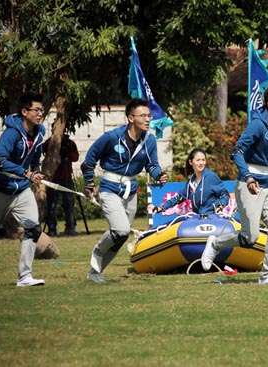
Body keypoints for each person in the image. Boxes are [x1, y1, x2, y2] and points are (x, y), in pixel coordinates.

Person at [200, 82, 268, 285]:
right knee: (249, 238)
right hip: (248, 183)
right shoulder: (258, 124)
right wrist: (248, 177)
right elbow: (237, 152)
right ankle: (216, 242)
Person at [82, 98, 167, 284]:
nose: (147, 119)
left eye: (148, 116)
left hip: (131, 191)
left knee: (121, 237)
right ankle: (97, 250)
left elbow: (152, 165)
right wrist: (89, 184)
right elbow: (88, 161)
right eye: (143, 115)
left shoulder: (150, 140)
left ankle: (95, 272)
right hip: (109, 188)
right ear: (130, 118)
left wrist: (158, 174)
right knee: (121, 230)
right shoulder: (111, 137)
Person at [0, 93, 46, 287]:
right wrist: (25, 173)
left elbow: (35, 156)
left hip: (22, 190)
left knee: (33, 228)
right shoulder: (12, 133)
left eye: (42, 110)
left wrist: (36, 172)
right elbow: (0, 159)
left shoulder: (40, 131)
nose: (40, 114)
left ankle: (25, 276)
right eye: (37, 110)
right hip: (1, 188)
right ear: (25, 112)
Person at [154, 148, 230, 215]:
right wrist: (161, 208)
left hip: (212, 219)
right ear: (191, 162)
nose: (201, 163)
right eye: (198, 160)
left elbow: (225, 195)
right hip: (197, 220)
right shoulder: (191, 182)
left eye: (203, 160)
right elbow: (179, 198)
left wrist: (220, 205)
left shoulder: (211, 177)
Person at [43, 133, 79, 236]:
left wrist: (66, 152)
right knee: (51, 205)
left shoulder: (69, 143)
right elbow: (43, 150)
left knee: (69, 203)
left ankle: (70, 227)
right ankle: (52, 229)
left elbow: (75, 157)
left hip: (66, 176)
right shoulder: (50, 142)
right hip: (53, 177)